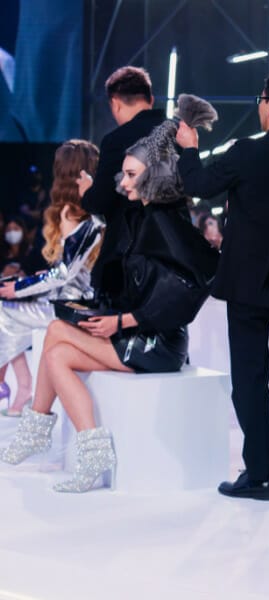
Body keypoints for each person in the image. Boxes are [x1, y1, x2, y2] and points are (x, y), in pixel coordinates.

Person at [0, 96, 220, 492]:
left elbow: (190, 288)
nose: (123, 182)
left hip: (157, 343)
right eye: (123, 173)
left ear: (154, 175)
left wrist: (124, 320)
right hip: (139, 332)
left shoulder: (164, 223)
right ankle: (80, 446)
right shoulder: (141, 214)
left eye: (131, 175)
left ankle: (43, 429)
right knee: (57, 348)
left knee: (56, 338)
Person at [176, 69, 269, 503]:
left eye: (261, 100)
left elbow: (197, 185)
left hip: (247, 286)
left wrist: (190, 149)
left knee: (251, 382)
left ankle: (259, 476)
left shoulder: (246, 152)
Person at [0, 140, 103, 417]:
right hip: (73, 301)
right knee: (5, 313)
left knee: (3, 311)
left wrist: (19, 287)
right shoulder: (93, 210)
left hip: (73, 308)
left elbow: (64, 273)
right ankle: (19, 386)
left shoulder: (76, 213)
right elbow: (71, 269)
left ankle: (18, 386)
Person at [79, 66, 165, 297]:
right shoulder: (178, 136)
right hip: (172, 256)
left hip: (126, 260)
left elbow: (100, 200)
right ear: (150, 99)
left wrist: (87, 192)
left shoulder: (117, 140)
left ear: (115, 103)